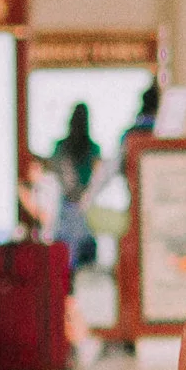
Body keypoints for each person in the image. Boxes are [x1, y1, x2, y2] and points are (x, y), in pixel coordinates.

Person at [52, 104, 101, 270]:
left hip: (67, 207)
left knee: (65, 259)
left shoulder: (61, 148)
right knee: (85, 261)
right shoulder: (93, 149)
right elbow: (97, 178)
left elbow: (58, 173)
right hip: (85, 206)